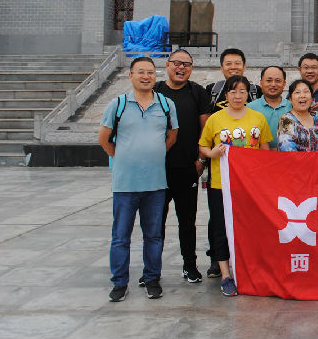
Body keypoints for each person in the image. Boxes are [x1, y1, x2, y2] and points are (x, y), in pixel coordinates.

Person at [98, 57, 178, 302]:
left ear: (156, 76)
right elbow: (105, 139)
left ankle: (152, 278)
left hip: (155, 183)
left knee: (153, 235)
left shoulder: (166, 104)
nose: (146, 76)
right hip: (125, 185)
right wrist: (124, 158)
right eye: (141, 72)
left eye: (151, 73)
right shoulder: (118, 105)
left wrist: (150, 155)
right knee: (121, 236)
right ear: (130, 75)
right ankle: (119, 282)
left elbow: (171, 136)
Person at [199, 75, 271, 297]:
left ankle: (250, 270)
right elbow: (203, 147)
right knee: (221, 228)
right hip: (221, 184)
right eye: (233, 91)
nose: (237, 95)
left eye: (242, 91)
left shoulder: (258, 118)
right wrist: (213, 153)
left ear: (248, 95)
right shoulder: (216, 119)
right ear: (226, 95)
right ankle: (225, 275)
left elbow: (265, 151)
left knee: (250, 228)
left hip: (249, 186)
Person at [155, 49, 212, 285]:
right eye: (177, 63)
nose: (181, 68)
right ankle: (152, 269)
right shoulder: (155, 90)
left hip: (187, 168)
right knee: (155, 221)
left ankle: (189, 265)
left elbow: (206, 131)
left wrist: (200, 161)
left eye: (187, 64)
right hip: (156, 170)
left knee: (187, 221)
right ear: (167, 65)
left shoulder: (197, 92)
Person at [248, 66, 290, 148]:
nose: (273, 84)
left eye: (277, 81)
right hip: (260, 156)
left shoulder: (292, 107)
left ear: (284, 84)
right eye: (268, 81)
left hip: (287, 156)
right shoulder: (250, 108)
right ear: (261, 83)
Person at [277, 79, 318, 152]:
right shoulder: (286, 120)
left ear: (312, 98)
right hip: (295, 162)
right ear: (290, 99)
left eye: (306, 92)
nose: (302, 96)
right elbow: (287, 148)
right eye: (297, 92)